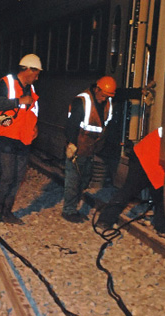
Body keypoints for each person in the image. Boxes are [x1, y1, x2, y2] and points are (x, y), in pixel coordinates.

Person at [0, 54, 42, 225]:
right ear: (28, 69)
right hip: (7, 137)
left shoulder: (31, 90)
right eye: (36, 72)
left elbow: (33, 111)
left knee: (18, 178)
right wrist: (19, 101)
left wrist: (35, 127)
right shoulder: (6, 83)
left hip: (24, 138)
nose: (37, 76)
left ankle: (7, 212)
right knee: (7, 176)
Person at [95, 127, 165, 235]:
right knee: (132, 190)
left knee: (156, 195)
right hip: (146, 157)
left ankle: (162, 229)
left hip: (148, 155)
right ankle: (105, 219)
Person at [63, 76, 116, 223]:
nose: (104, 99)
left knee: (84, 179)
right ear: (97, 89)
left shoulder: (107, 103)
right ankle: (69, 211)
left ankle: (73, 207)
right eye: (103, 95)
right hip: (77, 147)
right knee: (73, 180)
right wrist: (71, 144)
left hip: (90, 149)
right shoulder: (82, 101)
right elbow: (72, 124)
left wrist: (139, 92)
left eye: (108, 96)